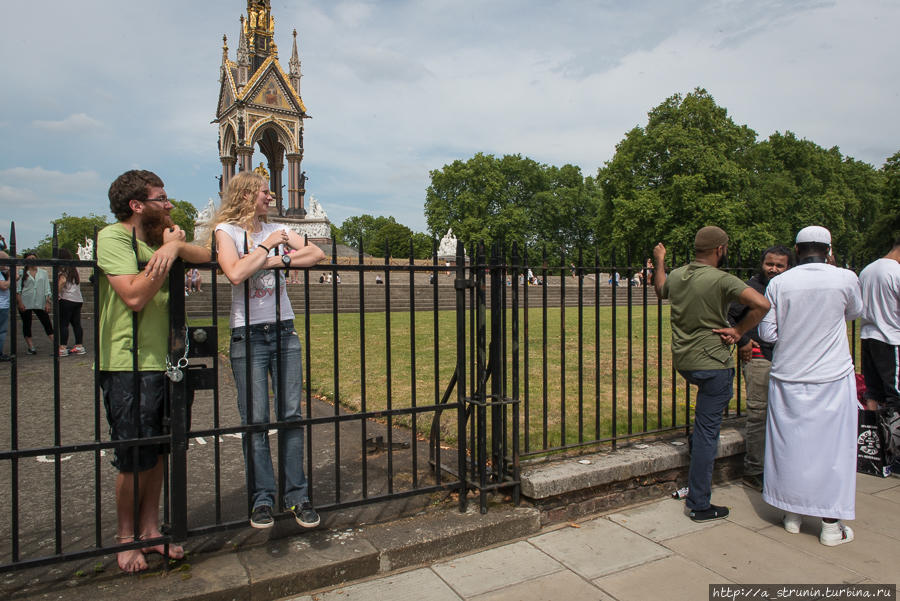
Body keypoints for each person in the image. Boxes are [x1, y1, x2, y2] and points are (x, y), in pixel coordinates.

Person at [97, 169, 208, 572]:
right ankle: (125, 538)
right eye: (161, 198)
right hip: (126, 361)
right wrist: (165, 254)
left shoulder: (161, 237)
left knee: (159, 449)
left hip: (163, 361)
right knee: (132, 455)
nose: (170, 204)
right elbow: (134, 295)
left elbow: (207, 255)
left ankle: (150, 530)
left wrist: (175, 247)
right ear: (136, 205)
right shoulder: (113, 237)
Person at [212, 171, 325, 531]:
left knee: (291, 415)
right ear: (246, 195)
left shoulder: (275, 228)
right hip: (248, 334)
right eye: (264, 191)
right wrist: (265, 248)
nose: (271, 196)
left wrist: (280, 259)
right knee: (256, 420)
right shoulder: (226, 231)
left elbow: (316, 252)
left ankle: (297, 496)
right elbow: (234, 272)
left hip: (284, 329)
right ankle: (262, 499)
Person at [652, 226, 770, 522]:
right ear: (720, 249)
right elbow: (762, 304)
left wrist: (660, 261)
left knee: (702, 425)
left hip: (685, 361)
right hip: (714, 364)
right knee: (707, 433)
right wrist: (739, 331)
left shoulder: (679, 274)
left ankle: (695, 483)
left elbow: (660, 288)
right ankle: (699, 502)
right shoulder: (722, 279)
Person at [759, 226, 862, 546]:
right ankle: (830, 525)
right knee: (833, 451)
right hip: (831, 375)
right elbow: (856, 312)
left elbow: (767, 334)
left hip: (790, 375)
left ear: (796, 250)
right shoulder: (845, 278)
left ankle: (792, 514)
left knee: (790, 447)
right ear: (829, 250)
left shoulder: (779, 282)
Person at [726, 246, 792, 491]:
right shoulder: (751, 289)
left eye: (779, 265)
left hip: (786, 357)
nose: (773, 269)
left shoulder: (788, 286)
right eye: (769, 264)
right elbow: (727, 317)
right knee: (759, 414)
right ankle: (755, 470)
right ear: (762, 264)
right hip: (758, 356)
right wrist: (743, 340)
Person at [858, 236, 900, 472]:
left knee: (873, 393)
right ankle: (894, 454)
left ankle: (873, 454)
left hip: (868, 335)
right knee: (895, 395)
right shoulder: (895, 272)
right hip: (891, 337)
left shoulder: (868, 270)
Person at [17, 252, 54, 354]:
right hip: (26, 301)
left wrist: (48, 302)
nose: (32, 260)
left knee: (46, 322)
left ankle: (56, 344)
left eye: (33, 258)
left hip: (39, 301)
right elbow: (18, 289)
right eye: (29, 259)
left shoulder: (43, 273)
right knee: (27, 324)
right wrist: (20, 302)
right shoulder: (21, 273)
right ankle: (31, 346)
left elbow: (47, 289)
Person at [56, 248, 86, 356]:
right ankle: (79, 346)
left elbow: (62, 281)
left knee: (64, 324)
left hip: (67, 298)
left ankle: (63, 347)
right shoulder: (74, 268)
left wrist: (57, 294)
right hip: (77, 299)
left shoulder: (63, 268)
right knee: (76, 324)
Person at [0, 251, 10, 361]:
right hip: (1, 305)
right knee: (2, 330)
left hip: (3, 304)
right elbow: (4, 286)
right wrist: (10, 277)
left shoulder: (3, 273)